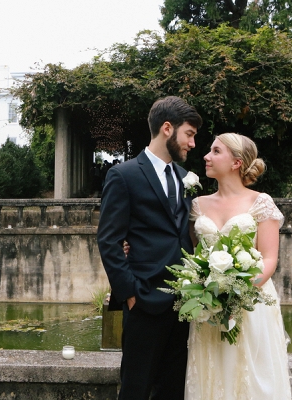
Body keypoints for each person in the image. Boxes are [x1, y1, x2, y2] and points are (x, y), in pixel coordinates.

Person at [97, 96, 203, 400]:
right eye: (189, 134)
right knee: (135, 389)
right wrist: (130, 294)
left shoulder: (186, 178)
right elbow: (109, 240)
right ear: (167, 128)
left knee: (172, 390)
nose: (193, 143)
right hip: (143, 301)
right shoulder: (124, 175)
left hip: (183, 304)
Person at [185, 133, 292, 399]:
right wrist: (210, 293)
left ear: (235, 162)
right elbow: (194, 254)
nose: (206, 156)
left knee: (253, 377)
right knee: (212, 372)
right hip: (209, 306)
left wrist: (236, 294)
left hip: (251, 305)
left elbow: (269, 258)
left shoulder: (261, 202)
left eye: (215, 151)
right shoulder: (197, 206)